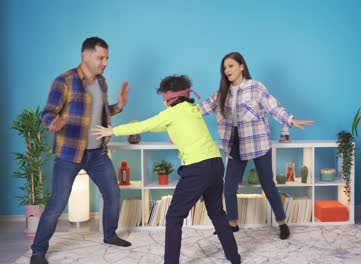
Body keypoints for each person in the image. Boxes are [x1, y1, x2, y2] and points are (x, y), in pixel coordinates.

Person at [92, 75, 241, 264]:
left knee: (174, 217)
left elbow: (144, 125)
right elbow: (164, 127)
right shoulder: (193, 109)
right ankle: (234, 258)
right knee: (218, 214)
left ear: (169, 98)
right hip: (216, 163)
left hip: (197, 168)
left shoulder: (171, 113)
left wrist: (111, 131)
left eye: (164, 97)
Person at [30, 37, 131, 264]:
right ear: (85, 56)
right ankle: (38, 251)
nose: (105, 62)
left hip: (97, 154)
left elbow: (102, 113)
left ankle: (110, 234)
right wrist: (52, 122)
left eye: (107, 58)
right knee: (57, 204)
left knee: (113, 194)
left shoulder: (102, 82)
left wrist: (119, 106)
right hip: (69, 154)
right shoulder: (64, 81)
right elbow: (48, 112)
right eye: (100, 57)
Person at [200, 52, 314, 240]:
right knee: (228, 186)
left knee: (267, 184)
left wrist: (291, 120)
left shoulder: (255, 87)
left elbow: (273, 107)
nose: (227, 70)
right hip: (235, 142)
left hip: (258, 141)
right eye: (224, 67)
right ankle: (232, 223)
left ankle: (282, 223)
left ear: (242, 66)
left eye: (231, 66)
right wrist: (180, 111)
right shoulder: (222, 93)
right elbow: (201, 109)